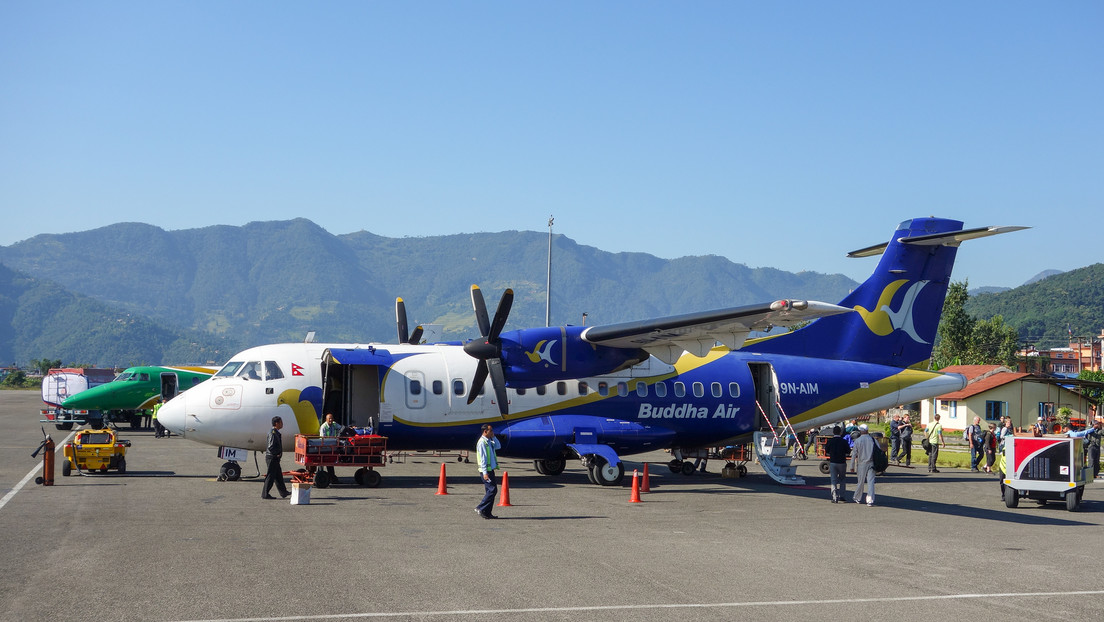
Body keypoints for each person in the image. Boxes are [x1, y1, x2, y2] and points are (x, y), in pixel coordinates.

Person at [475, 424, 501, 519]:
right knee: (492, 490)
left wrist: (494, 437)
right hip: (486, 471)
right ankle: (480, 507)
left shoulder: (489, 441)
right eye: (491, 431)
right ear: (485, 431)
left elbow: (498, 446)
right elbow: (483, 459)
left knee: (489, 491)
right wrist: (485, 473)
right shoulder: (482, 442)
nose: (492, 432)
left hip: (491, 470)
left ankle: (487, 512)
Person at [261, 416, 290, 500]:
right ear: (276, 423)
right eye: (281, 422)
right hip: (272, 457)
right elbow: (271, 446)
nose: (282, 424)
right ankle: (265, 494)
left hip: (274, 458)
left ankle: (283, 492)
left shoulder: (275, 432)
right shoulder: (273, 433)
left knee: (278, 476)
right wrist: (276, 454)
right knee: (270, 476)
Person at [850, 423, 876, 506]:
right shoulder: (873, 439)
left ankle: (857, 497)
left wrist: (852, 466)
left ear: (860, 431)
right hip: (872, 462)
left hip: (861, 463)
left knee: (860, 482)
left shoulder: (858, 440)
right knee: (871, 482)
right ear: (867, 430)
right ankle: (870, 500)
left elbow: (854, 454)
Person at [824, 425, 849, 503]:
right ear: (840, 432)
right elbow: (848, 451)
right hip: (842, 462)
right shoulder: (844, 441)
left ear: (833, 432)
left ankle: (834, 497)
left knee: (833, 480)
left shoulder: (830, 441)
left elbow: (827, 451)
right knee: (842, 479)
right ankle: (842, 496)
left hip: (833, 462)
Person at [318, 413, 341, 484]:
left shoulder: (334, 424)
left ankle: (332, 477)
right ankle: (320, 477)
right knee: (322, 463)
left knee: (330, 463)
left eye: (332, 418)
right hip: (325, 447)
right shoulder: (323, 427)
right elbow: (322, 439)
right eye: (329, 419)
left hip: (332, 447)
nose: (331, 420)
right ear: (326, 419)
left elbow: (341, 428)